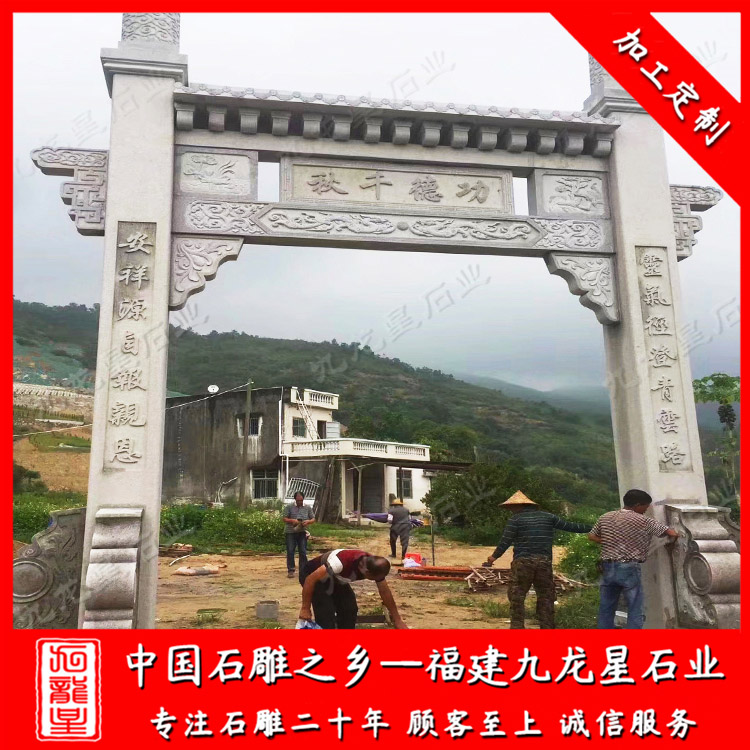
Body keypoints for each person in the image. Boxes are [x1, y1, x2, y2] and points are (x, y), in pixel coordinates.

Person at [483, 490, 592, 629]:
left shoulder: (515, 520)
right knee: (546, 596)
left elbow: (505, 541)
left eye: (511, 507)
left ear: (519, 506)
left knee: (517, 597)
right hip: (544, 563)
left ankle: (517, 628)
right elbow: (571, 527)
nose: (510, 510)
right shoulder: (548, 517)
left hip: (523, 563)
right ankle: (547, 627)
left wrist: (493, 557)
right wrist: (595, 528)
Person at [589, 489, 679, 629]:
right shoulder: (644, 521)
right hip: (628, 567)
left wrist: (610, 541)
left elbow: (592, 536)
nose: (645, 510)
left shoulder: (605, 517)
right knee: (635, 606)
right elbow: (671, 533)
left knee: (606, 606)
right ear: (637, 505)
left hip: (607, 567)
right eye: (645, 507)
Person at [299, 548, 408, 629]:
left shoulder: (374, 566)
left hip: (335, 578)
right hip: (312, 576)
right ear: (367, 572)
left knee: (349, 609)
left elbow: (384, 591)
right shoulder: (340, 562)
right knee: (326, 613)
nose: (378, 580)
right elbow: (310, 580)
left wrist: (397, 620)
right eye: (375, 578)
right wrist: (305, 608)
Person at [283, 491, 315, 580]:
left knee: (303, 551)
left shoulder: (307, 507)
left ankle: (303, 570)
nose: (299, 502)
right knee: (290, 550)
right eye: (298, 500)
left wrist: (308, 522)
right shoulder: (289, 507)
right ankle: (291, 570)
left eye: (301, 500)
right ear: (295, 499)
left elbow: (313, 518)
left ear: (303, 499)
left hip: (302, 531)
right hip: (290, 531)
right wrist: (293, 521)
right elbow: (284, 518)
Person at [388, 494, 412, 560]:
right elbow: (409, 518)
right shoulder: (406, 510)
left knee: (392, 541)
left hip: (395, 527)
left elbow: (389, 520)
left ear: (394, 505)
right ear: (401, 504)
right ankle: (403, 556)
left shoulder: (391, 511)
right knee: (404, 542)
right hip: (405, 526)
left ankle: (393, 554)